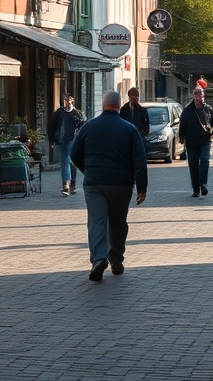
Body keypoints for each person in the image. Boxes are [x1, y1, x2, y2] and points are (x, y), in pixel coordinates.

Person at [69, 90, 147, 281]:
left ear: (103, 105)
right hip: (121, 184)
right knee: (118, 222)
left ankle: (98, 258)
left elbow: (74, 153)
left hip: (94, 183)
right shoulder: (129, 129)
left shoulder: (89, 127)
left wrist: (87, 170)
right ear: (119, 105)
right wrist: (142, 187)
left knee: (97, 220)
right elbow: (140, 160)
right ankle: (117, 258)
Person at [178, 86, 213, 197]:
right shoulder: (187, 111)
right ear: (193, 96)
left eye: (200, 94)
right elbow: (182, 125)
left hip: (205, 141)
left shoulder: (208, 109)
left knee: (204, 161)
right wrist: (181, 137)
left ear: (203, 96)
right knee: (193, 166)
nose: (198, 97)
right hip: (191, 143)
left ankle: (203, 184)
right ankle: (196, 189)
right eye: (196, 94)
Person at [49, 93, 85, 196]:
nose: (67, 103)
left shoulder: (78, 114)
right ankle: (66, 185)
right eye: (66, 101)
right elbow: (53, 127)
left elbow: (83, 128)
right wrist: (52, 140)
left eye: (69, 101)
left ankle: (72, 183)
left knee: (72, 163)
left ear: (72, 101)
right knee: (65, 162)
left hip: (75, 141)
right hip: (63, 140)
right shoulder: (59, 113)